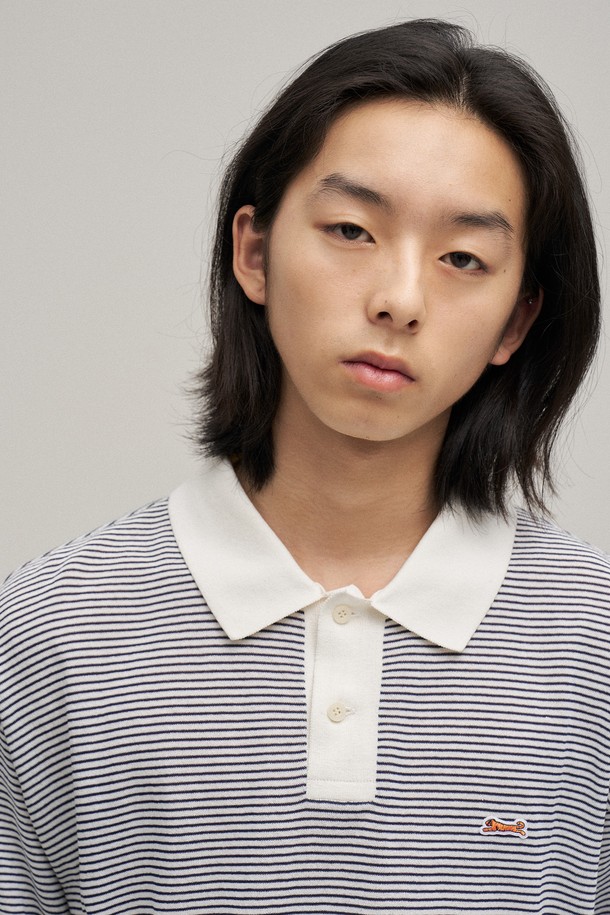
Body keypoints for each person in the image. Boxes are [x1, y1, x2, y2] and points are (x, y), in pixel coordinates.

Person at [1, 18, 606, 914]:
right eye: (352, 229)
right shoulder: (48, 633)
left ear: (516, 322)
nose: (399, 299)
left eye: (463, 258)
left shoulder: (593, 647)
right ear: (254, 252)